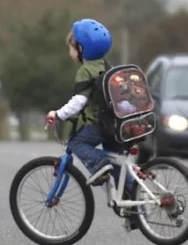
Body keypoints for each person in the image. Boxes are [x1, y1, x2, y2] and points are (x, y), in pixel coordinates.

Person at [45, 18, 138, 230]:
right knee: (119, 165)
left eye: (71, 47)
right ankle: (135, 212)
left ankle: (99, 165)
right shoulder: (108, 67)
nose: (70, 52)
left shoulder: (85, 71)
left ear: (81, 48)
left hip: (98, 126)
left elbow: (78, 102)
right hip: (117, 127)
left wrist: (57, 114)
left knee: (77, 143)